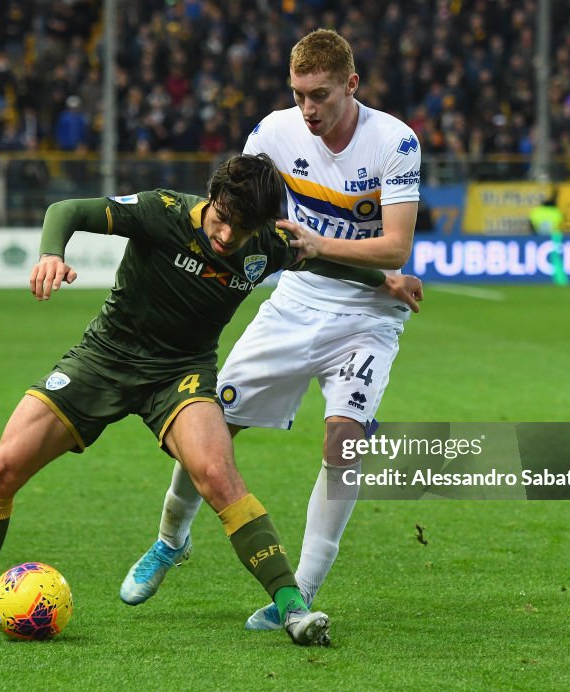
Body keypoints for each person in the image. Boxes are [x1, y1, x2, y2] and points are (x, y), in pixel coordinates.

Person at [0, 153, 422, 646]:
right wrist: (51, 253)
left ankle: (292, 609)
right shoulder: (159, 210)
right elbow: (66, 209)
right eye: (222, 219)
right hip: (104, 359)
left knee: (219, 477)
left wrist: (386, 282)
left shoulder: (266, 244)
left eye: (242, 229)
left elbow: (322, 262)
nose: (227, 235)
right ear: (211, 199)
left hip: (180, 376)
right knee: (2, 468)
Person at [121, 29, 424, 631]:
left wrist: (337, 253)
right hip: (296, 301)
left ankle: (301, 591)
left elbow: (397, 244)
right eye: (299, 94)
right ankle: (171, 540)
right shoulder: (273, 134)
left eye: (321, 95)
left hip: (367, 318)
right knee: (208, 426)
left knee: (345, 441)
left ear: (351, 85)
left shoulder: (395, 141)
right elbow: (239, 205)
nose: (309, 109)